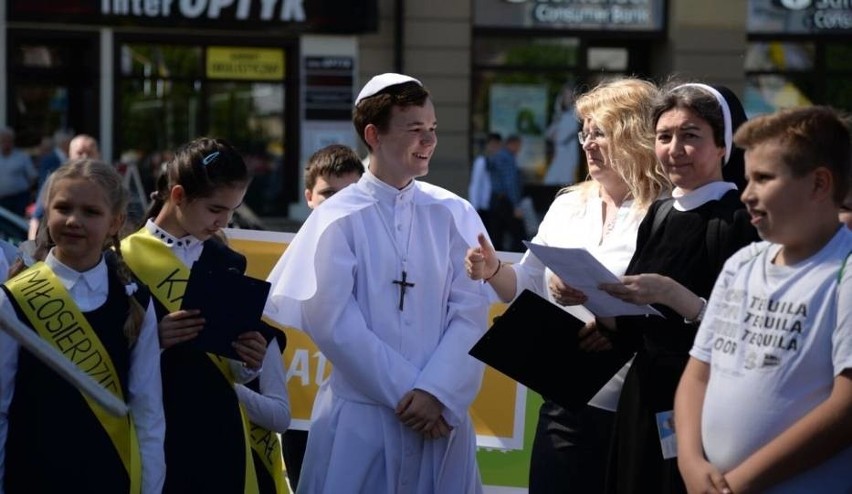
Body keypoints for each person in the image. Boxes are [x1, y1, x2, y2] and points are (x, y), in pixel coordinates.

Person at [264, 72, 491, 493]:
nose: (429, 141)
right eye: (415, 130)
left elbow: (472, 312)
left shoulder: (453, 213)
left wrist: (438, 391)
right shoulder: (338, 216)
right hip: (363, 419)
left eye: (433, 130)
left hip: (441, 416)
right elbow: (332, 320)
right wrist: (413, 394)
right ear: (374, 135)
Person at [466, 77, 670, 493]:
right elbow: (522, 284)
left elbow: (675, 303)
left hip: (637, 404)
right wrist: (490, 269)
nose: (588, 144)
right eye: (585, 132)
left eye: (601, 133)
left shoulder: (667, 210)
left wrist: (605, 306)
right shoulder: (568, 204)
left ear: (635, 136)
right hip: (567, 398)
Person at [674, 106, 852, 493]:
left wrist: (741, 482)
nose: (746, 194)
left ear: (820, 184)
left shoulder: (845, 271)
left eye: (763, 178)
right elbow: (698, 373)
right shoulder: (743, 263)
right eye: (747, 178)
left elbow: (845, 408)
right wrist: (690, 460)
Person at [596, 83, 760, 493]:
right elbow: (639, 322)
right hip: (644, 393)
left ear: (723, 146)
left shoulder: (738, 219)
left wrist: (675, 296)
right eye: (664, 137)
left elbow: (742, 329)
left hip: (701, 400)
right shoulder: (661, 211)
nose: (674, 149)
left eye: (691, 136)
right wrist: (598, 302)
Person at [120, 137, 280, 493]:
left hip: (219, 424)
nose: (223, 221)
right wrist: (154, 340)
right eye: (214, 209)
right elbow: (104, 353)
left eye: (232, 211)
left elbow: (231, 365)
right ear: (177, 195)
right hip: (156, 421)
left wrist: (250, 360)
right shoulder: (123, 260)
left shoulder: (228, 261)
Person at [0, 158, 165, 492]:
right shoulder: (13, 298)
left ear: (115, 221)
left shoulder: (135, 301)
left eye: (91, 212)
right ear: (47, 212)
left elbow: (148, 412)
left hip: (108, 476)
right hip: (30, 477)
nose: (74, 220)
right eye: (63, 208)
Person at [29, 134, 102, 240]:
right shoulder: (55, 182)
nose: (85, 157)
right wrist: (31, 249)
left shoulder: (109, 185)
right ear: (70, 155)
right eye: (80, 153)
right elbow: (36, 218)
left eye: (89, 153)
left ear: (98, 155)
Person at [489, 134, 526, 251]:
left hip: (497, 200)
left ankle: (496, 263)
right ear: (513, 144)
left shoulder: (498, 156)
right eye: (519, 146)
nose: (519, 149)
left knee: (497, 235)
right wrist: (516, 206)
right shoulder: (507, 158)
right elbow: (510, 183)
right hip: (506, 201)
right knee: (519, 235)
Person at [544, 84, 581, 186]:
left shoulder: (575, 115)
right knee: (550, 181)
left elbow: (559, 136)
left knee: (565, 184)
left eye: (569, 96)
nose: (566, 99)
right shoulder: (562, 115)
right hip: (559, 155)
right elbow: (549, 134)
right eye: (564, 96)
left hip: (568, 155)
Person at [0, 127, 36, 217]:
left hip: (19, 198)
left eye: (9, 140)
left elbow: (32, 176)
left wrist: (29, 194)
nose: (6, 143)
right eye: (4, 140)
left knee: (18, 224)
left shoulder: (22, 156)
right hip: (1, 200)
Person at [468, 132, 502, 226]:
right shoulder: (482, 161)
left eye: (497, 145)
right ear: (487, 145)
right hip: (485, 205)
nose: (495, 147)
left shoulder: (501, 161)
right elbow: (475, 184)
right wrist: (474, 207)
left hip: (498, 205)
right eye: (492, 144)